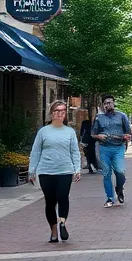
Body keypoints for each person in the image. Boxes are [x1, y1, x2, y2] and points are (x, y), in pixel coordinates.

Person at [28, 100, 81, 244]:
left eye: (63, 111)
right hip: (46, 171)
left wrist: (77, 169)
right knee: (50, 202)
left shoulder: (69, 132)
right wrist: (32, 170)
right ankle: (53, 230)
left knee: (63, 197)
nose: (60, 114)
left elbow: (75, 152)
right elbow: (36, 151)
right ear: (51, 113)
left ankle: (62, 222)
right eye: (57, 111)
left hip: (65, 170)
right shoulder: (43, 131)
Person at [93, 94, 132, 207]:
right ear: (103, 105)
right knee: (106, 174)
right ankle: (110, 198)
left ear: (114, 103)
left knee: (120, 171)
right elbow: (93, 134)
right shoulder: (98, 118)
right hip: (104, 148)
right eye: (106, 103)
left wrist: (126, 136)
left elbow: (128, 132)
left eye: (110, 102)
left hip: (118, 148)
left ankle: (119, 188)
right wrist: (99, 136)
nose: (108, 105)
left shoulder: (121, 116)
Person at [78, 110, 97, 174]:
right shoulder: (88, 123)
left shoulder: (86, 123)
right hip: (89, 141)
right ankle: (92, 166)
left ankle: (91, 166)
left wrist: (81, 140)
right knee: (90, 154)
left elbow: (81, 133)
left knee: (89, 154)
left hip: (89, 141)